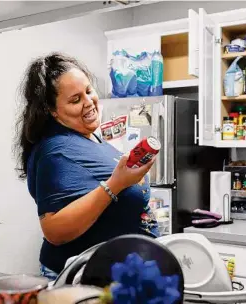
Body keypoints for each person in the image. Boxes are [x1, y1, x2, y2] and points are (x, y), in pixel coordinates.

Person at [14, 53, 159, 280]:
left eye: (89, 91)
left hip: (115, 272)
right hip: (83, 278)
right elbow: (54, 230)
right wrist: (116, 184)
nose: (89, 102)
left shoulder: (88, 136)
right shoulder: (56, 150)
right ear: (52, 110)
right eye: (75, 100)